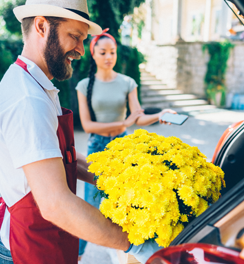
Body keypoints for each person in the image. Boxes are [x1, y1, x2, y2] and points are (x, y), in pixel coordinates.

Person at [0, 1, 161, 263]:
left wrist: (119, 179)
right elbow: (55, 204)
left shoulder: (34, 84)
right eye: (74, 37)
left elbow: (61, 159)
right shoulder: (27, 99)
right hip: (27, 248)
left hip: (46, 239)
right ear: (41, 26)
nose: (81, 50)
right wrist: (135, 245)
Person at [75, 28, 177, 260]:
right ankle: (78, 254)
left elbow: (137, 117)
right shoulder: (84, 85)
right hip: (97, 148)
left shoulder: (127, 82)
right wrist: (124, 121)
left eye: (113, 52)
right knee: (90, 206)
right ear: (94, 54)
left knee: (129, 203)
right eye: (103, 52)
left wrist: (160, 114)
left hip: (123, 148)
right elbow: (88, 125)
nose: (109, 57)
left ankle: (129, 255)